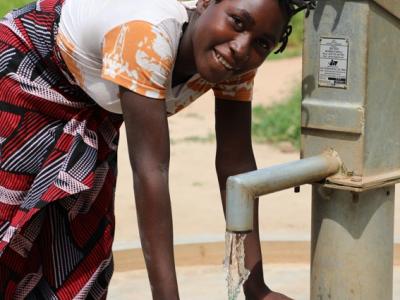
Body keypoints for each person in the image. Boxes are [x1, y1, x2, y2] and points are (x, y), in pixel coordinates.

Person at [0, 0, 316, 299]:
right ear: (205, 3)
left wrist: (255, 287)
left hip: (93, 113)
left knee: (74, 259)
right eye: (237, 22)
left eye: (262, 42)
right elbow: (151, 171)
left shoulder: (237, 60)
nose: (240, 48)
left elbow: (236, 165)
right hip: (21, 76)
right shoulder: (146, 35)